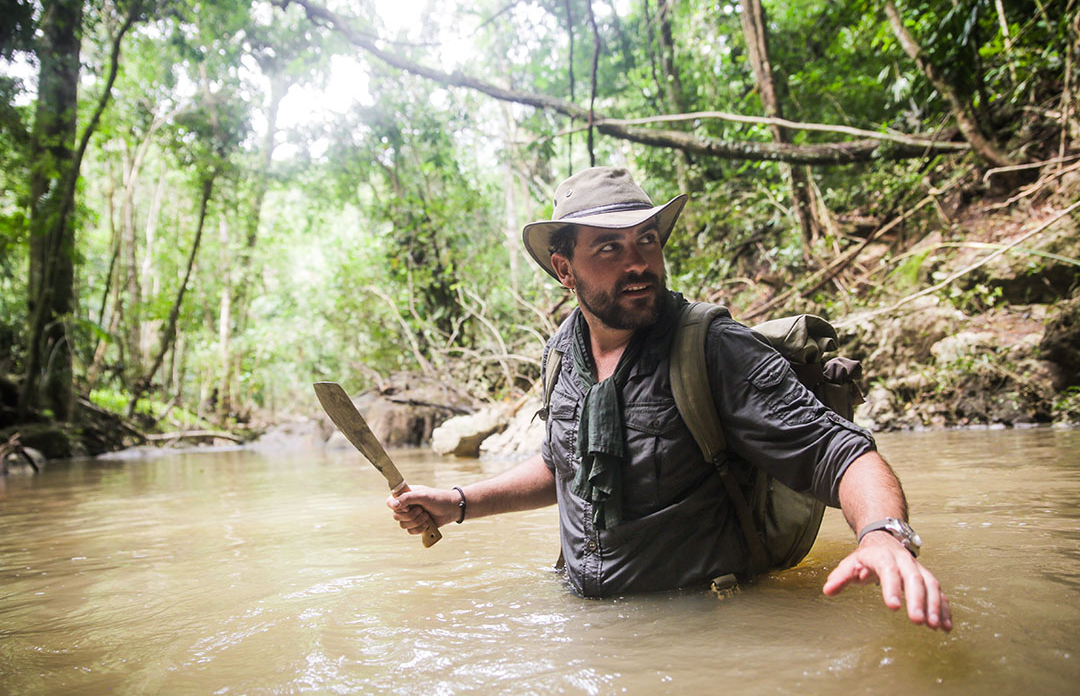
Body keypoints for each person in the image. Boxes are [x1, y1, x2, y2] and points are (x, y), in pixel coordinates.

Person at [388, 166, 951, 631]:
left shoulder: (710, 347)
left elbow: (838, 451)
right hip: (595, 639)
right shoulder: (562, 352)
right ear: (565, 269)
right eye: (609, 247)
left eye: (647, 240)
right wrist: (459, 503)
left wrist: (884, 535)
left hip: (709, 635)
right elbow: (562, 464)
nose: (637, 263)